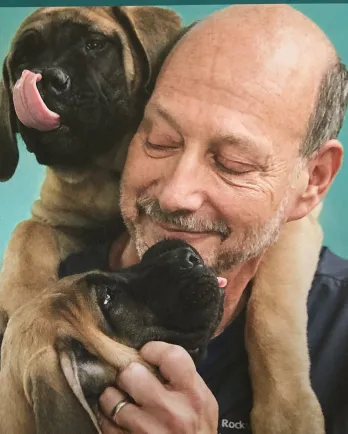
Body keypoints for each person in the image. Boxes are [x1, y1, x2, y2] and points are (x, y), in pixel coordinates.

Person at [59, 4, 348, 433]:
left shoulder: (338, 331)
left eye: (232, 163)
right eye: (159, 141)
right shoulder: (43, 288)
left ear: (313, 182)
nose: (176, 193)